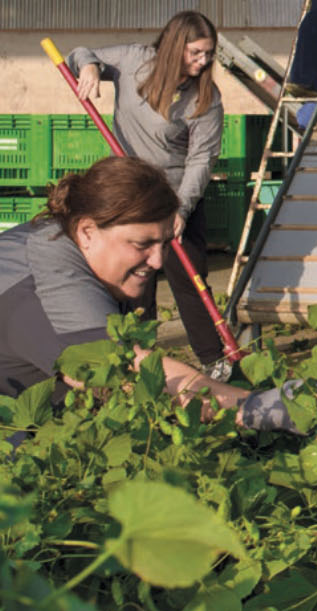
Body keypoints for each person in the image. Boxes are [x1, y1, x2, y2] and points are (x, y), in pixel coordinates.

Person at [0, 155, 298, 433]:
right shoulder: (42, 291)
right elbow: (133, 376)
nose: (158, 261)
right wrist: (258, 407)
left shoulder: (67, 235)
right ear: (87, 232)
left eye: (164, 243)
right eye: (142, 244)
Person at [67, 10, 229, 379]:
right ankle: (140, 361)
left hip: (176, 197)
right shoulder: (133, 60)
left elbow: (202, 158)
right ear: (175, 47)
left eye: (209, 54)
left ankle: (215, 363)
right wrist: (90, 67)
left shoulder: (205, 96)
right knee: (134, 280)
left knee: (189, 281)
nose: (203, 62)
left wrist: (182, 210)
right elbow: (81, 52)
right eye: (195, 53)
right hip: (129, 195)